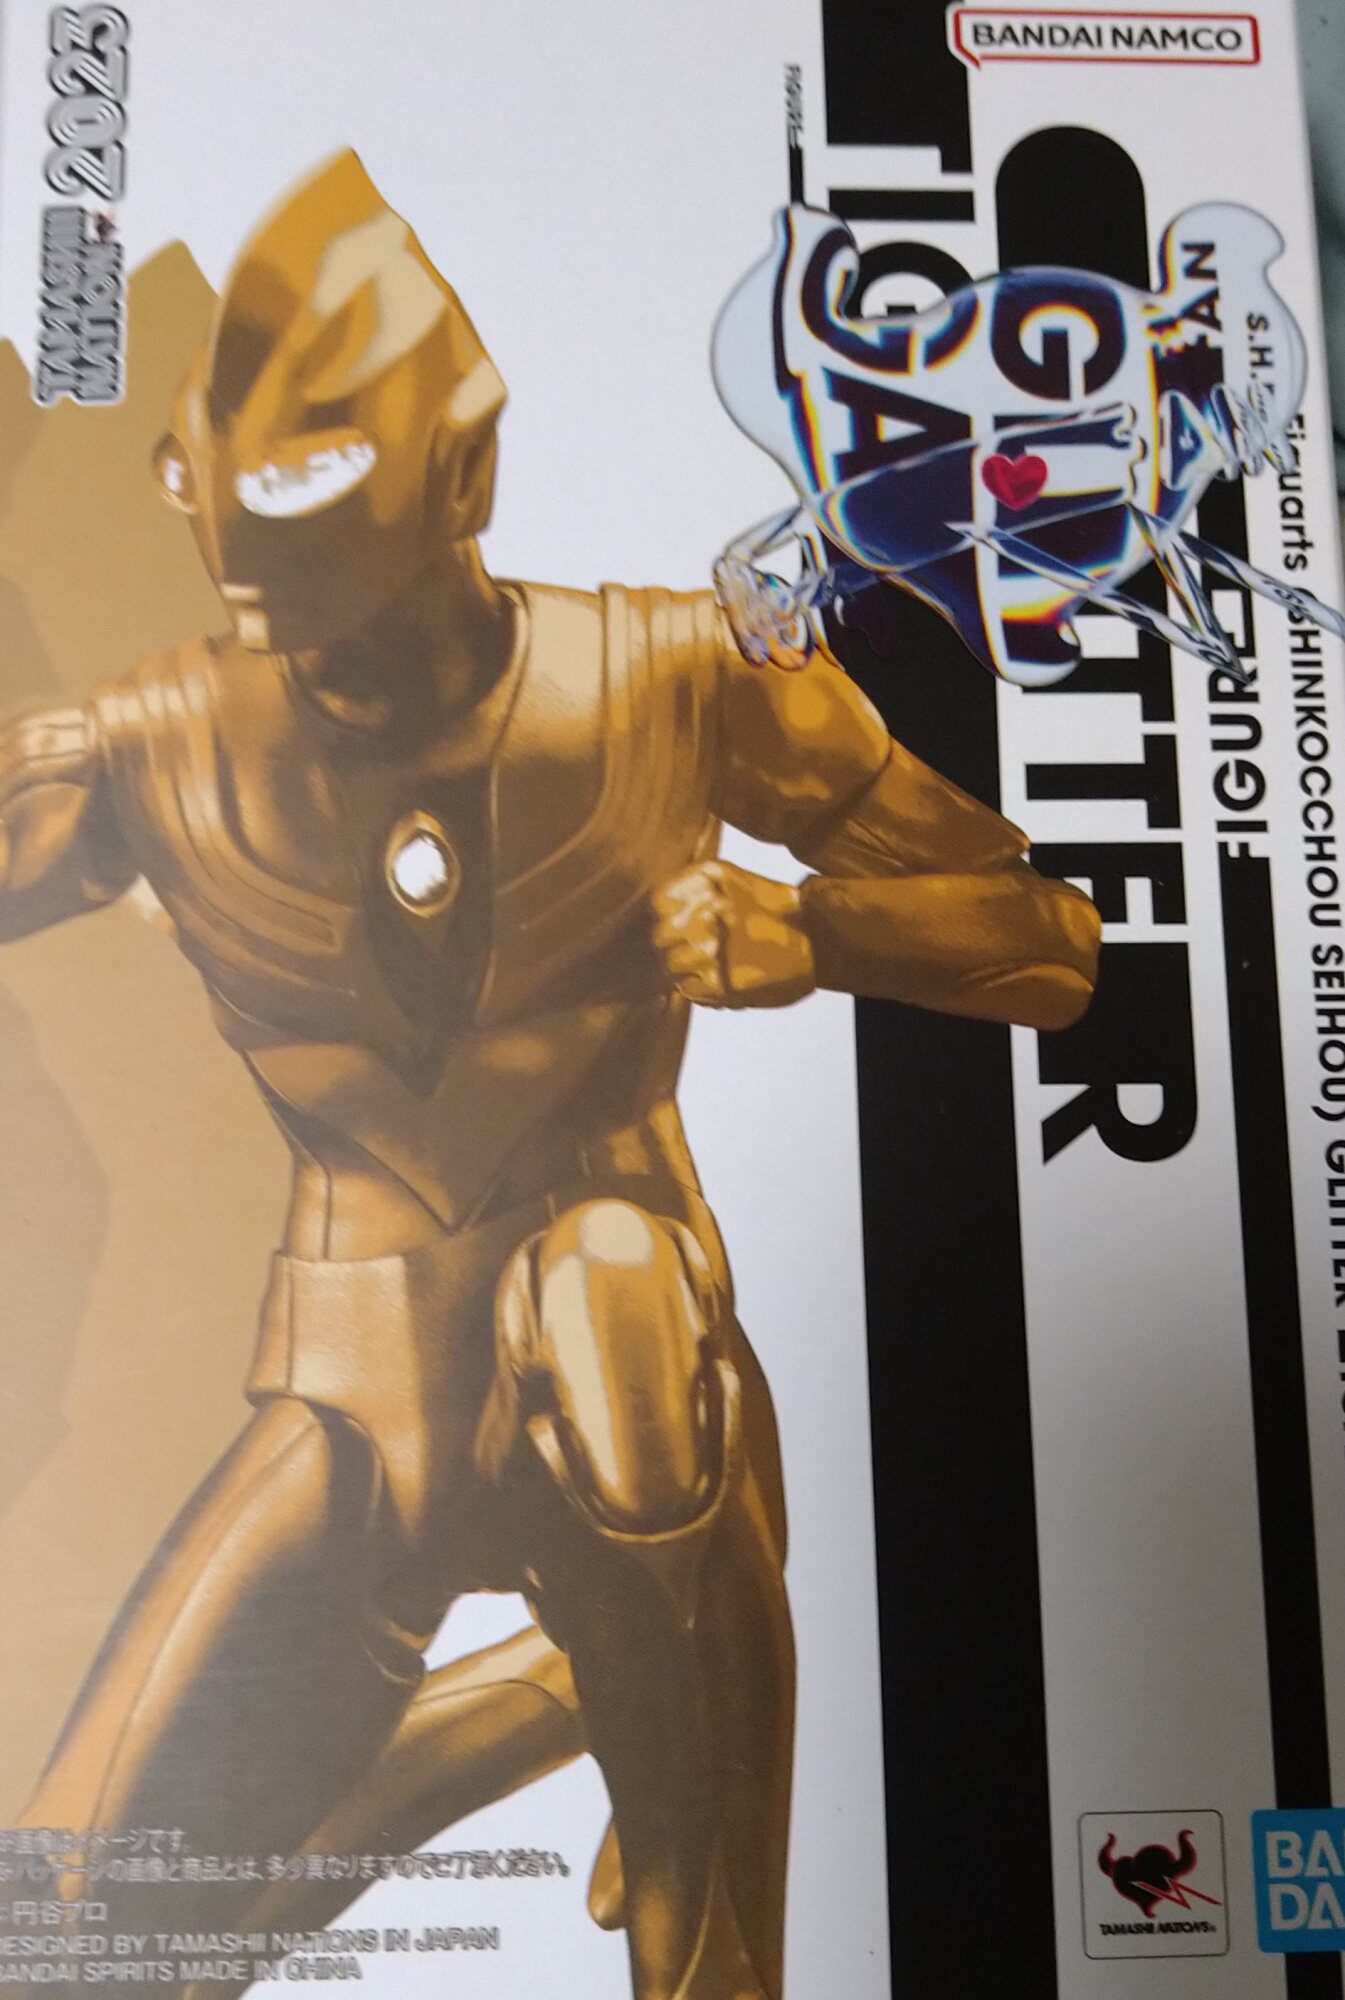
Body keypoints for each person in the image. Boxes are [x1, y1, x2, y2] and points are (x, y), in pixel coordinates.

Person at [8, 152, 1100, 2000]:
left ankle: (651, 1759)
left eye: (346, 618)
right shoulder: (147, 748)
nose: (322, 678)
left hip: (619, 1360)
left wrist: (811, 932)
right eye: (279, 626)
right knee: (58, 1935)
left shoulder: (685, 679)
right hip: (355, 1385)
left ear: (463, 480)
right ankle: (546, 1696)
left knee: (608, 1308)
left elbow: (1048, 944)